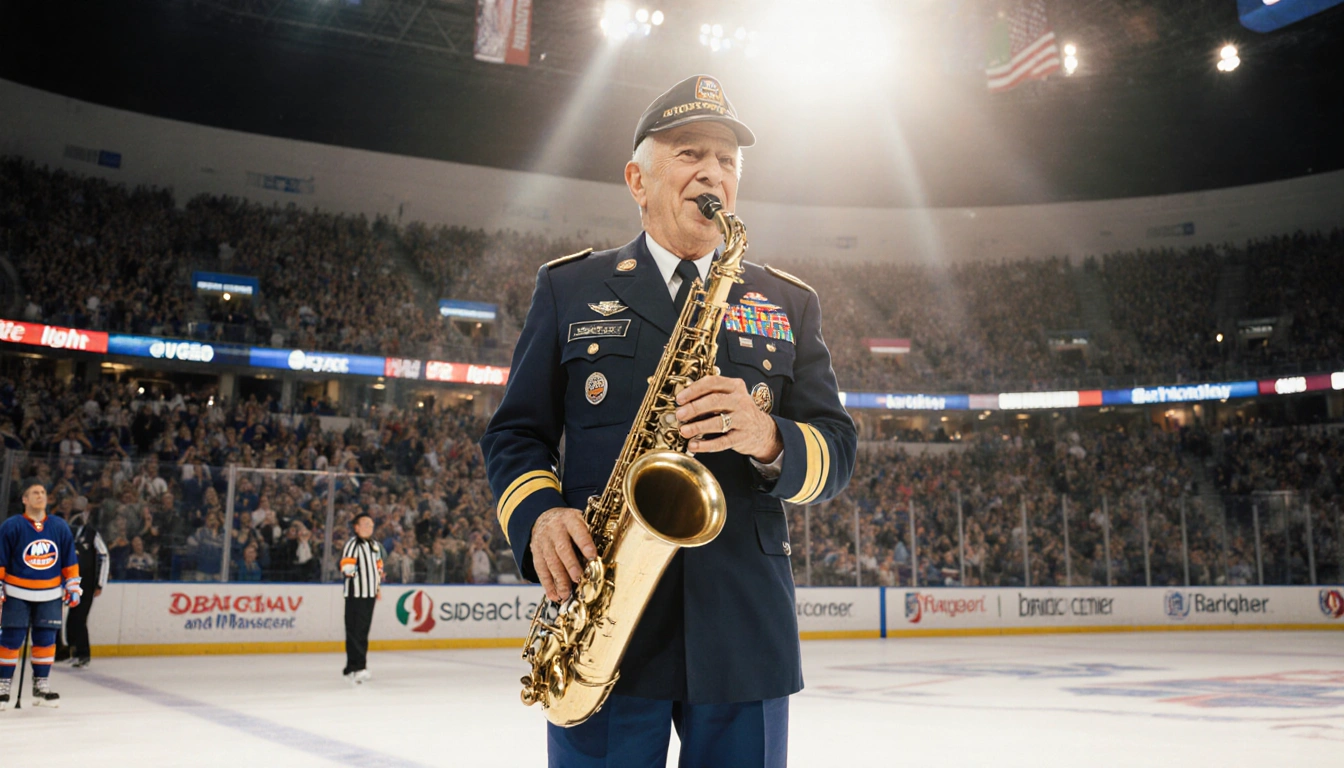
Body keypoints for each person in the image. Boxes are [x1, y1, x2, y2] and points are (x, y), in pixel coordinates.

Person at [481, 74, 856, 767]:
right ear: (637, 179)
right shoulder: (569, 287)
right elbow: (515, 434)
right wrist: (539, 515)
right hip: (604, 627)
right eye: (690, 153)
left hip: (744, 633)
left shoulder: (789, 302)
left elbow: (838, 451)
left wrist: (770, 439)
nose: (713, 171)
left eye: (727, 160)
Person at [0, 479, 82, 708]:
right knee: (11, 639)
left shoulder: (59, 526)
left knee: (46, 640)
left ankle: (41, 686)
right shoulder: (12, 525)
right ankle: (3, 685)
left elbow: (69, 559)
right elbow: (1, 558)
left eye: (43, 492)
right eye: (34, 492)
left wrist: (73, 585)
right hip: (16, 592)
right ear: (25, 499)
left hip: (50, 593)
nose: (40, 495)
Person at [58, 507, 108, 667]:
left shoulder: (92, 534)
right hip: (70, 585)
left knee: (79, 619)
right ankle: (73, 651)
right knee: (70, 620)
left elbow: (104, 556)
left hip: (87, 584)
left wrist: (99, 583)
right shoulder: (67, 535)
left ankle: (83, 653)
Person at [339, 512, 383, 684]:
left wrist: (376, 586)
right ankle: (357, 667)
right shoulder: (353, 544)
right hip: (356, 594)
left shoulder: (375, 546)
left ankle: (353, 666)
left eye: (371, 525)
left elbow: (379, 567)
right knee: (355, 630)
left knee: (362, 630)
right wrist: (358, 578)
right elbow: (347, 566)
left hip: (369, 594)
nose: (369, 527)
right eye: (365, 524)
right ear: (356, 527)